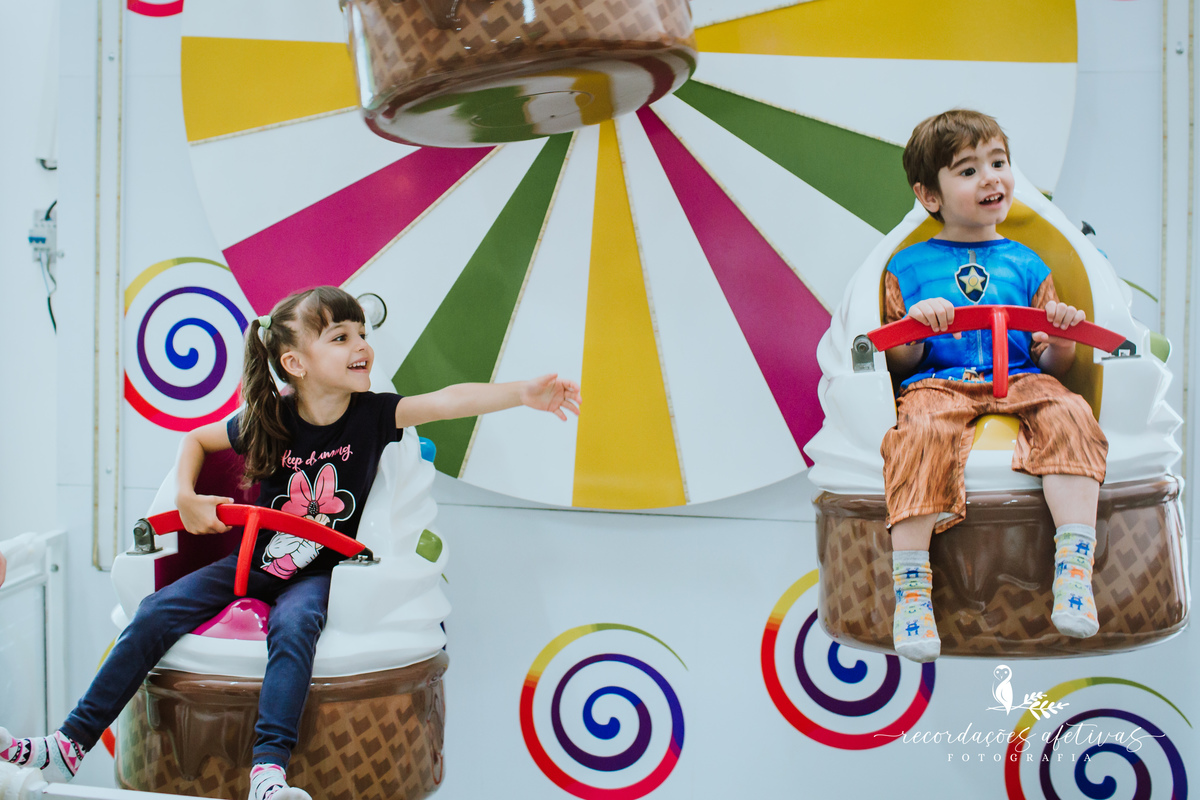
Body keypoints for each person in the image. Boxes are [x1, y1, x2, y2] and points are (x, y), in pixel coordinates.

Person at [0, 286, 581, 799]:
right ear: (295, 362)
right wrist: (185, 496)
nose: (361, 345)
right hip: (251, 564)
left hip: (319, 572)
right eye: (340, 336)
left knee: (296, 626)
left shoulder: (374, 415)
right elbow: (194, 440)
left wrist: (522, 393)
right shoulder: (269, 418)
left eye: (361, 333)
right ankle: (69, 743)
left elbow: (448, 400)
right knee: (153, 612)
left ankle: (268, 771)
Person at [881, 110, 1107, 663]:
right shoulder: (906, 267)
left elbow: (1052, 364)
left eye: (998, 163)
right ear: (929, 195)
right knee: (917, 435)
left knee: (1071, 414)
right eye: (968, 170)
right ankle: (912, 592)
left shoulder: (1028, 263)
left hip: (1022, 378)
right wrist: (916, 326)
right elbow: (897, 362)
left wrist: (1062, 338)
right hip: (940, 384)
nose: (991, 178)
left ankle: (1074, 571)